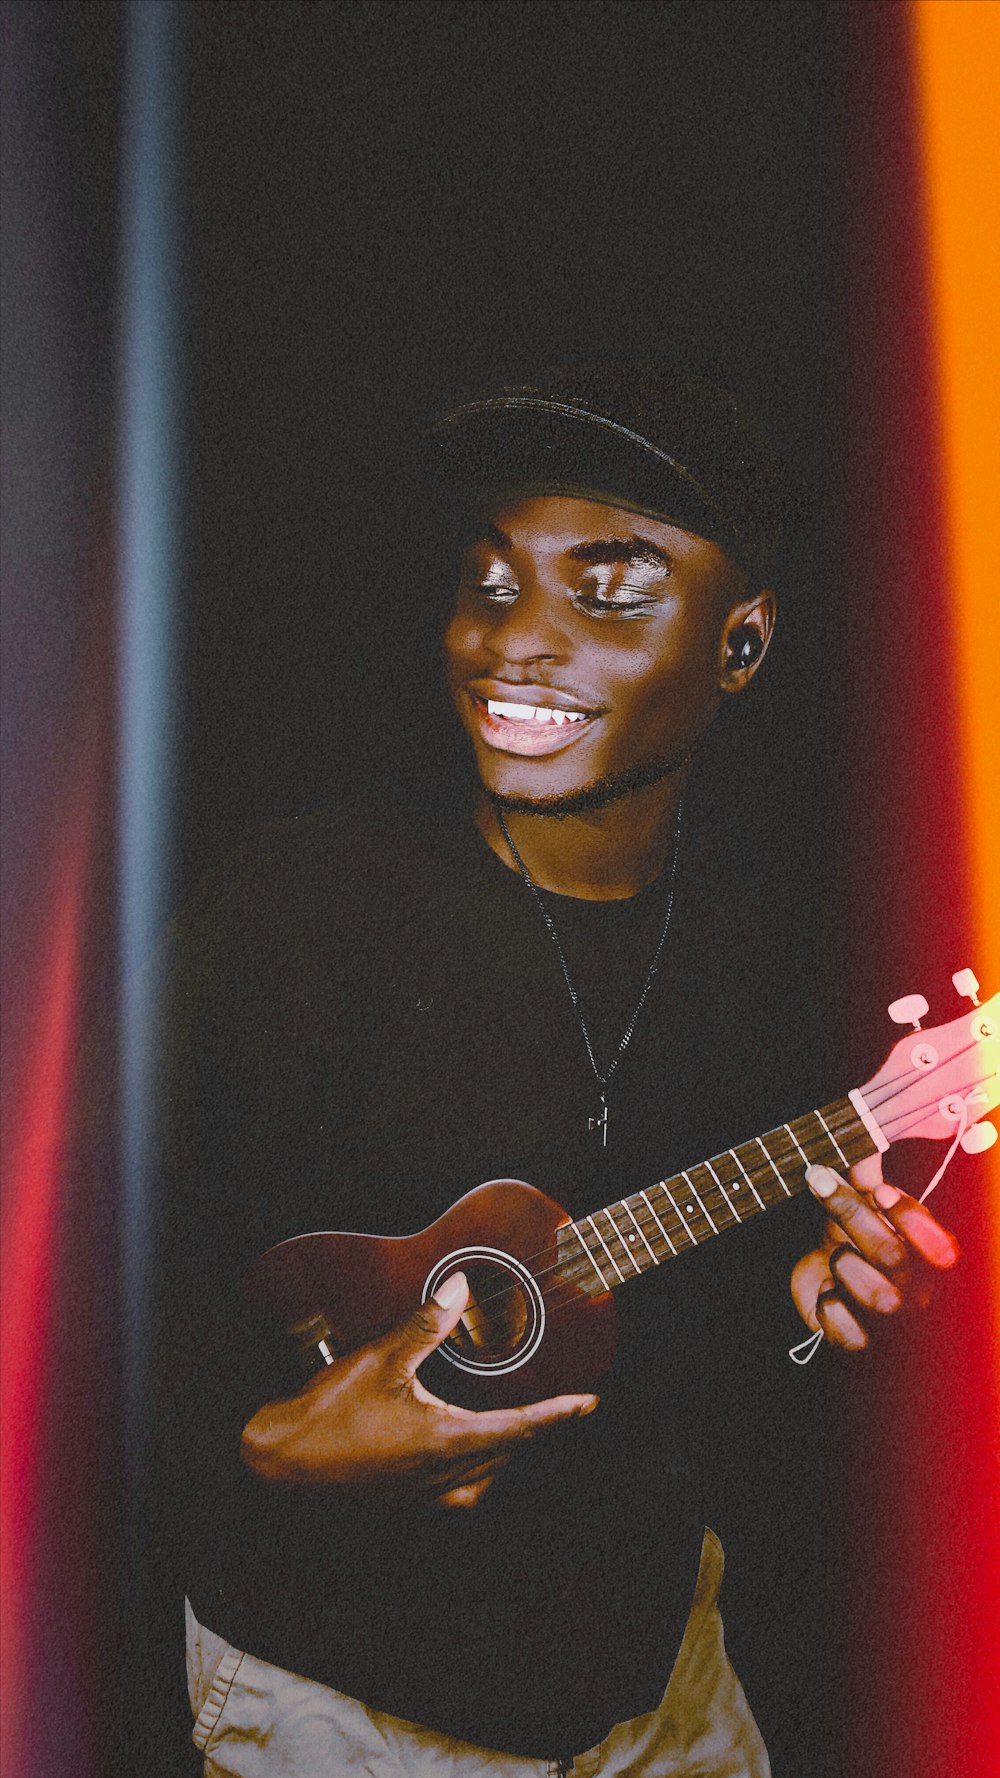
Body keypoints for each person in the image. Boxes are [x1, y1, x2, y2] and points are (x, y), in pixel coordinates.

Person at [154, 364, 959, 1777]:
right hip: (345, 1717)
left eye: (608, 587)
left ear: (744, 643)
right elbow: (72, 1296)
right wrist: (269, 1444)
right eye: (489, 579)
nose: (512, 643)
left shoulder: (766, 947)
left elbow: (697, 1351)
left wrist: (804, 1298)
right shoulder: (294, 908)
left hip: (664, 1695)